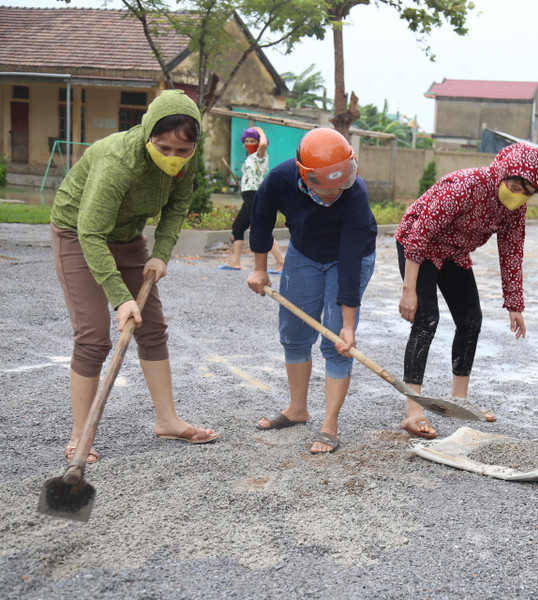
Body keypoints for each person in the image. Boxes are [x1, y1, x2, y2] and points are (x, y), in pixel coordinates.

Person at [50, 89, 219, 464]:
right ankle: (81, 435)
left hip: (127, 235)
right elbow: (90, 232)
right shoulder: (118, 161)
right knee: (94, 336)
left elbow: (177, 206)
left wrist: (160, 254)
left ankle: (168, 420)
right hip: (78, 234)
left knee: (153, 329)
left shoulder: (186, 161)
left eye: (183, 151)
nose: (173, 158)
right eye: (164, 148)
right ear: (148, 136)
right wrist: (119, 295)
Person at [394, 142, 538, 438]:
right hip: (419, 245)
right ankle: (412, 409)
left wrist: (515, 305)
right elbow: (421, 232)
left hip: (454, 252)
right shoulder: (466, 185)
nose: (518, 195)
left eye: (527, 191)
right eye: (516, 185)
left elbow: (512, 253)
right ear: (503, 172)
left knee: (471, 320)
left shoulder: (515, 210)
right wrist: (408, 290)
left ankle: (458, 400)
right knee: (426, 320)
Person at [247, 128, 376, 455]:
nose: (336, 192)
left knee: (336, 341)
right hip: (304, 253)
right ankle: (297, 408)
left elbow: (349, 264)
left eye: (341, 183)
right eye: (326, 186)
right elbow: (261, 220)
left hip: (347, 258)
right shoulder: (280, 179)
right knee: (294, 332)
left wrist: (348, 326)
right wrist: (260, 268)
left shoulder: (355, 195)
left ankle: (329, 423)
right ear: (305, 177)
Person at [219, 127, 285, 272]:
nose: (248, 143)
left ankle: (281, 261)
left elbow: (263, 145)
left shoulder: (260, 156)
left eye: (252, 141)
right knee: (238, 227)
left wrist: (261, 131)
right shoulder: (249, 158)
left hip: (255, 195)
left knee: (261, 229)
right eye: (246, 141)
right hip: (248, 197)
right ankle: (235, 262)